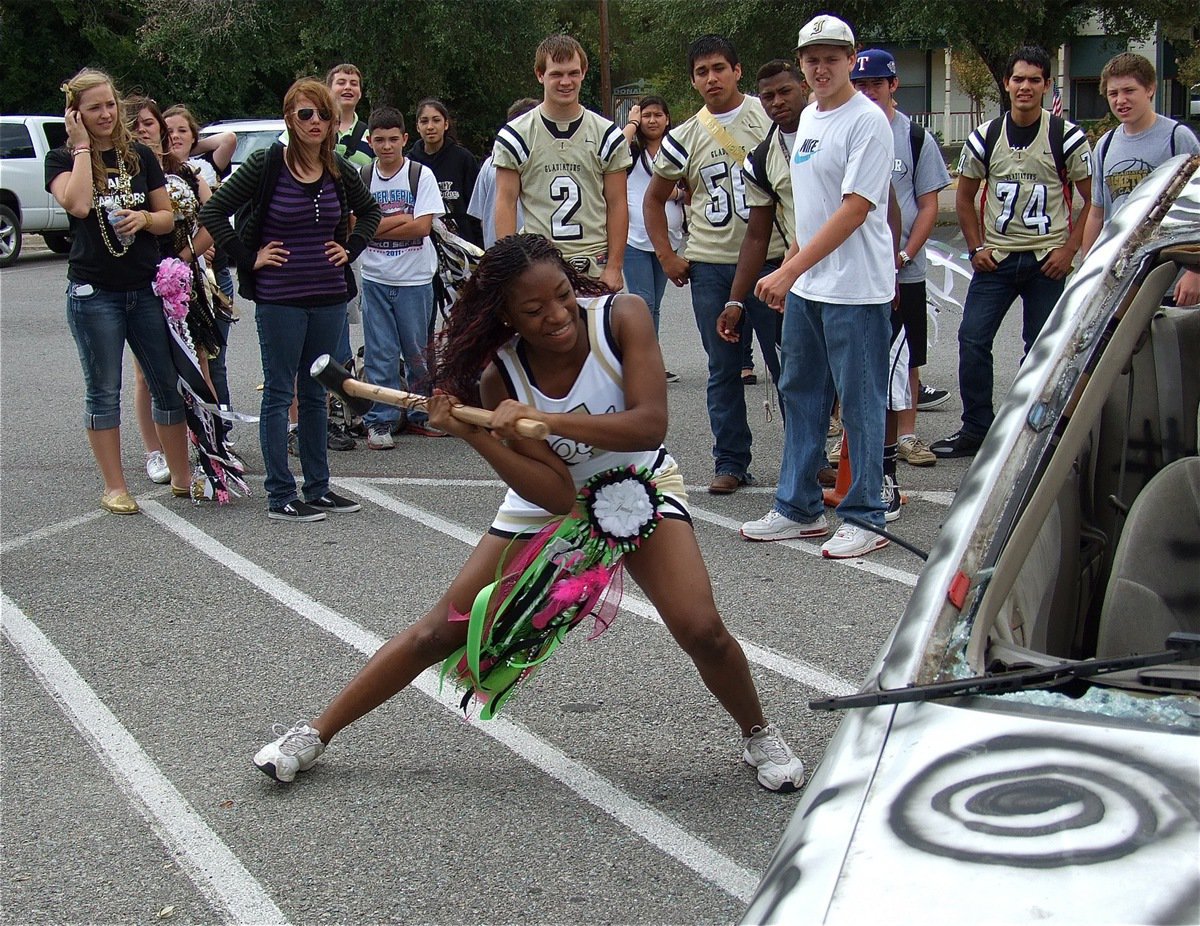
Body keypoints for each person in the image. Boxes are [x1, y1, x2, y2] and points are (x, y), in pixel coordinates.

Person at [252, 233, 807, 792]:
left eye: (563, 296)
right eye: (534, 309)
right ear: (507, 315)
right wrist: (479, 434)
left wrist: (548, 420)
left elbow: (648, 423)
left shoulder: (621, 316)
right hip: (551, 493)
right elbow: (558, 495)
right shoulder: (502, 375)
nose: (557, 315)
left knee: (701, 627)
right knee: (441, 629)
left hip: (638, 480)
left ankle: (758, 731)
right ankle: (314, 734)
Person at [742, 14, 895, 558]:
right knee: (800, 394)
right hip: (811, 285)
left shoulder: (867, 122)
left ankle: (865, 514)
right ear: (802, 63)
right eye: (812, 58)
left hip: (856, 288)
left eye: (832, 57)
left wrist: (787, 269)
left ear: (851, 60)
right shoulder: (807, 117)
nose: (821, 67)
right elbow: (808, 208)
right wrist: (797, 276)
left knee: (860, 403)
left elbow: (855, 210)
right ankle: (798, 506)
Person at [199, 77, 381, 522]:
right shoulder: (267, 165)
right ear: (290, 119)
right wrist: (248, 257)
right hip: (280, 297)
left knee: (319, 393)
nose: (315, 122)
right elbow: (212, 212)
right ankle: (281, 494)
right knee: (280, 391)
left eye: (323, 114)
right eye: (305, 114)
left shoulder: (339, 167)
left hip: (328, 294)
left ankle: (318, 488)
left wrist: (351, 248)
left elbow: (372, 211)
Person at [932, 45, 1092, 459]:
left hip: (1046, 260)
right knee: (972, 338)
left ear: (1046, 86)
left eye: (1034, 80)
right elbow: (964, 199)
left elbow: (1093, 200)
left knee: (1041, 348)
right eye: (1018, 79)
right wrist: (975, 246)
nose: (1025, 86)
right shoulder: (986, 136)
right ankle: (976, 428)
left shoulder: (1066, 136)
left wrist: (1069, 249)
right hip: (997, 258)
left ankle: (1031, 426)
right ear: (1006, 83)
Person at [47, 68, 191, 515]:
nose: (107, 114)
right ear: (76, 114)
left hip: (144, 288)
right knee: (103, 389)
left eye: (110, 104)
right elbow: (78, 204)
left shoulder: (140, 157)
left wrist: (144, 219)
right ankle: (114, 485)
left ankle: (183, 477)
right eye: (94, 108)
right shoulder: (61, 159)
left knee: (166, 383)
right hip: (95, 292)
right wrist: (84, 148)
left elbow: (167, 216)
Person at [644, 34, 783, 495]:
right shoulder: (684, 135)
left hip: (771, 260)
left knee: (788, 365)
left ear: (738, 71)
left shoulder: (768, 117)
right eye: (702, 72)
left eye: (719, 68)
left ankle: (809, 457)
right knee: (722, 368)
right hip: (710, 262)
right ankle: (730, 460)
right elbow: (654, 198)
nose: (711, 78)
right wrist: (666, 254)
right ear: (693, 80)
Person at [851, 49, 952, 485]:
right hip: (858, 267)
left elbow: (928, 204)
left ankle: (907, 434)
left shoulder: (913, 136)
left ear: (893, 85)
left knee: (907, 357)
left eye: (875, 83)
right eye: (860, 84)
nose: (867, 92)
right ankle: (850, 435)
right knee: (854, 354)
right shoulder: (848, 127)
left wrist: (906, 253)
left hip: (903, 268)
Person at [493, 34, 631, 292]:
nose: (566, 82)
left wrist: (614, 266)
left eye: (573, 73)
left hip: (594, 260)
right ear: (540, 74)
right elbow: (505, 202)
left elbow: (617, 203)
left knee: (597, 333)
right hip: (540, 263)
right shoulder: (517, 134)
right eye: (556, 74)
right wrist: (510, 268)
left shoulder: (606, 134)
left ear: (584, 72)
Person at [359, 106, 448, 449]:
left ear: (404, 139)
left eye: (393, 140)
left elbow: (422, 227)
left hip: (414, 279)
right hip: (376, 276)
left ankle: (419, 414)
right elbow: (356, 228)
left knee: (417, 353)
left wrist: (377, 225)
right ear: (369, 141)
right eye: (379, 140)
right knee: (380, 352)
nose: (386, 146)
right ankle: (380, 420)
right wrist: (400, 219)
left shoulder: (419, 175)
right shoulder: (363, 177)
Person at [1081, 52, 1200, 305]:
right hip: (1120, 279)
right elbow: (1097, 212)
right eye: (1113, 94)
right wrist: (1087, 270)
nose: (1120, 100)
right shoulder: (1105, 145)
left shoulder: (1178, 138)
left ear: (1150, 89)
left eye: (1129, 91)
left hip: (1169, 279)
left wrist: (1195, 272)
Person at [621, 95, 685, 380]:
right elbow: (612, 150)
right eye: (646, 115)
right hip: (634, 238)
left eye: (658, 115)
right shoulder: (632, 154)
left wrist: (676, 194)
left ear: (667, 119)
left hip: (667, 240)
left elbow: (695, 188)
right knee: (643, 302)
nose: (652, 120)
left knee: (654, 306)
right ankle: (643, 364)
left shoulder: (677, 150)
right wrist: (631, 123)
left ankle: (652, 359)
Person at [407, 98, 483, 248]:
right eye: (424, 121)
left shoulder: (464, 159)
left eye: (436, 120)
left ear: (446, 124)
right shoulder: (410, 163)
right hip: (422, 247)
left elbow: (476, 208)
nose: (430, 127)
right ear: (417, 127)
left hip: (461, 246)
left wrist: (479, 245)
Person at [468, 98, 539, 250]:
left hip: (524, 253)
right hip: (507, 253)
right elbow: (482, 216)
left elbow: (481, 218)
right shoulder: (491, 164)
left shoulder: (489, 163)